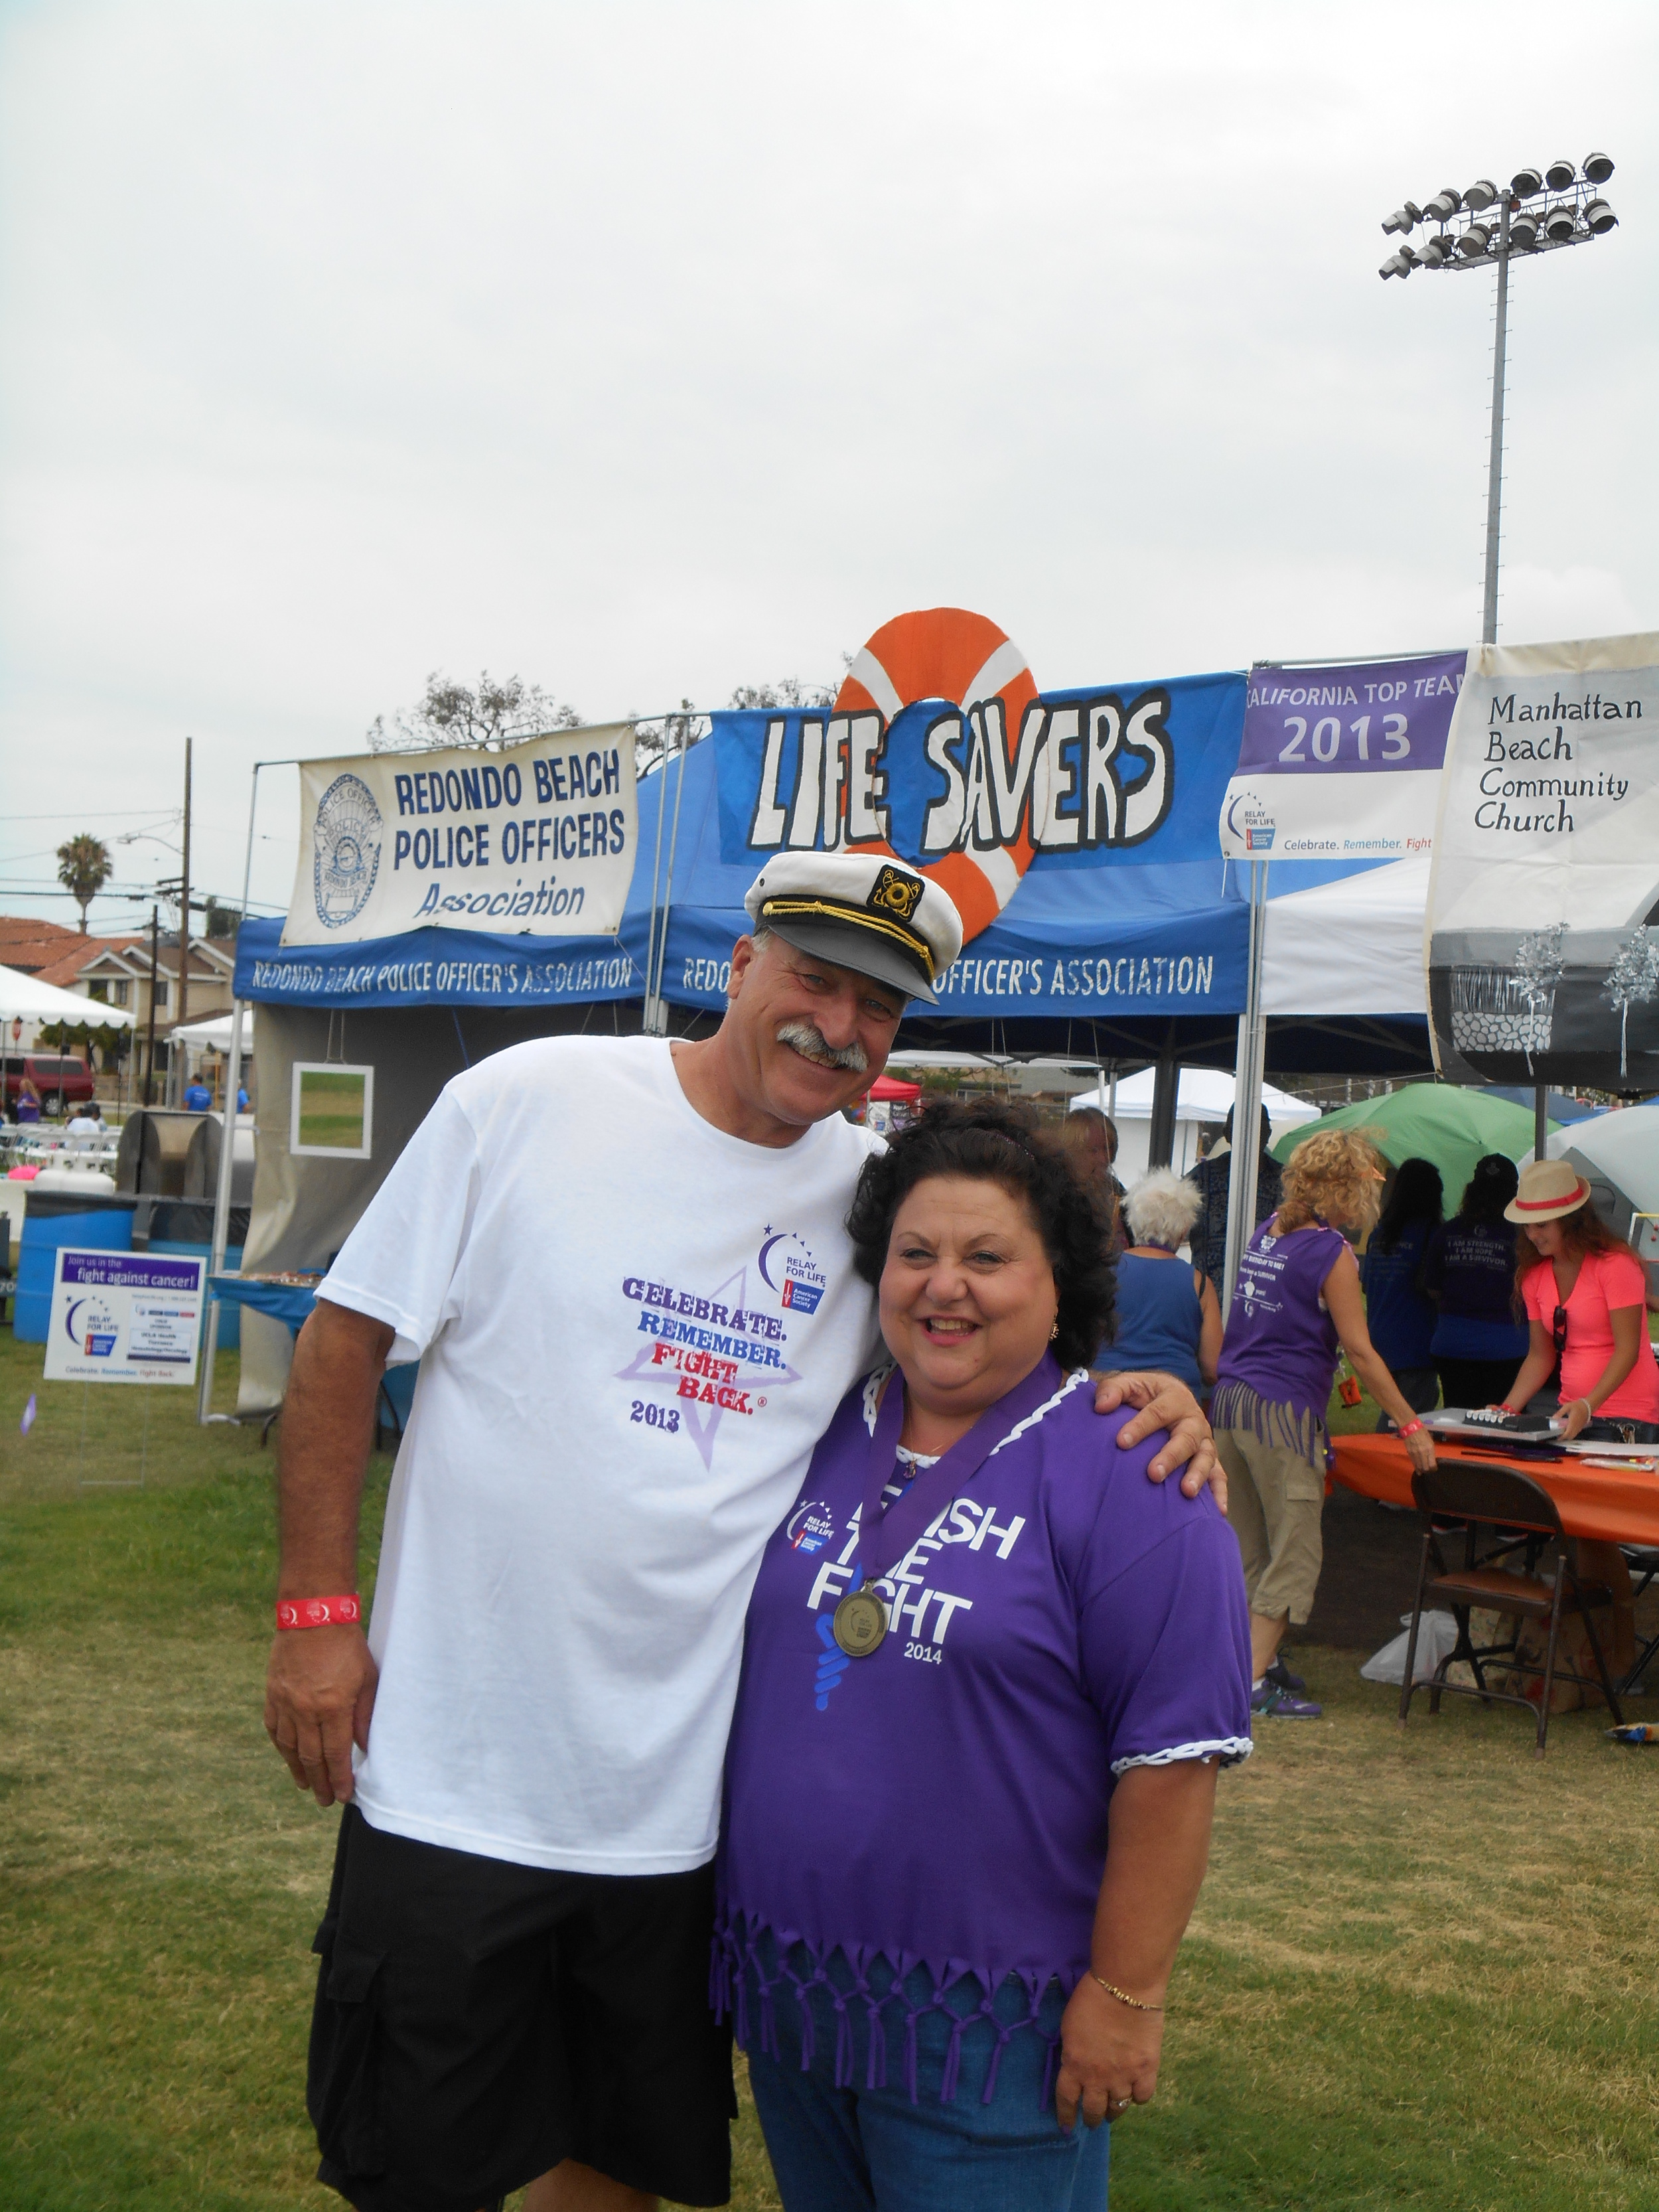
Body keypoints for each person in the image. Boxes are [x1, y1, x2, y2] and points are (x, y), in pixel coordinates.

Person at [263, 850, 1220, 2212]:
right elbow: (345, 1338)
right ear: (738, 965)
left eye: (876, 1006)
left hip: (675, 1824)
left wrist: (1139, 1386)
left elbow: (982, 1331)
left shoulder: (873, 1198)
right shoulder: (527, 1099)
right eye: (814, 980)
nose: (837, 1025)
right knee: (418, 2169)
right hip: (456, 1777)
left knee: (611, 2171)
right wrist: (317, 1612)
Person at [717, 1102, 1251, 2210]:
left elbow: (1172, 1763)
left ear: (1060, 1283)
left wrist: (1129, 1992)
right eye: (915, 1252)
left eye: (988, 1257)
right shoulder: (812, 1428)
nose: (944, 1284)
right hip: (797, 1997)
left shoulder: (1135, 1472)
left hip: (994, 2028)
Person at [1210, 1130, 1438, 1722]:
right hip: (1281, 1415)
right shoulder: (1331, 1251)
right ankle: (1248, 1685)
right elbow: (1360, 1351)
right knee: (1294, 1556)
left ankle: (1245, 1668)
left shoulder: (1268, 1230)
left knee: (1250, 1553)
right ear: (1345, 1186)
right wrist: (1411, 1425)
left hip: (1230, 1405)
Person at [1495, 1159, 1659, 1678]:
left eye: (1542, 1223)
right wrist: (1505, 1409)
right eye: (1527, 1224)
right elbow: (1540, 1355)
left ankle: (1618, 1646)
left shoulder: (1617, 1265)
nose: (1533, 1234)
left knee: (1594, 1532)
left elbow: (1629, 1349)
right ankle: (1605, 1649)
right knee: (1582, 1530)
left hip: (1626, 1413)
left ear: (1571, 1218)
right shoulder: (1535, 1276)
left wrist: (1589, 1403)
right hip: (1574, 1414)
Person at [1421, 1155, 1530, 1412]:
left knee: (1459, 1422)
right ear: (1514, 1195)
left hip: (1453, 1345)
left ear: (1472, 1190)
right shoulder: (1524, 1237)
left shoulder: (1448, 1232)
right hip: (1507, 1347)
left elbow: (1432, 1288)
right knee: (1504, 1424)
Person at [1107, 1169, 1222, 1392]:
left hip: (1107, 1392)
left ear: (1132, 1221)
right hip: (1174, 1397)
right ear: (1184, 1230)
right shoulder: (1200, 1285)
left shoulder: (1105, 1272)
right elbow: (1212, 1369)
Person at [1358, 1157, 1443, 1429]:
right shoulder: (1431, 1233)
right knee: (1407, 1422)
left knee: (1393, 1412)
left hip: (1379, 1338)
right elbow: (1434, 1287)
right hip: (1415, 1343)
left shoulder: (1379, 1234)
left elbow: (1365, 1283)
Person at [1187, 1104, 1282, 1284]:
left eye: (1258, 1128)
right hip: (1207, 1288)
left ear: (1268, 1134)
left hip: (1264, 1288)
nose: (1249, 1136)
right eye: (1240, 1128)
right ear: (1227, 1134)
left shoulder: (1285, 1181)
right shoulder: (1201, 1177)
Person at [1060, 1104, 1126, 1258]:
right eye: (1094, 1150)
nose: (1104, 1159)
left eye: (1107, 1148)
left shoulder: (1117, 1190)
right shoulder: (1059, 1197)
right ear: (1072, 1152)